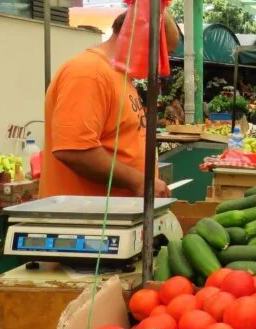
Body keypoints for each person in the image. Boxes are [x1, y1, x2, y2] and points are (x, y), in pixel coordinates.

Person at [41, 11, 178, 198]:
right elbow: (74, 150)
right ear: (143, 37)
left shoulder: (120, 76)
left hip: (113, 218)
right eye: (164, 54)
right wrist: (137, 181)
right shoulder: (90, 72)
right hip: (88, 221)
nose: (164, 67)